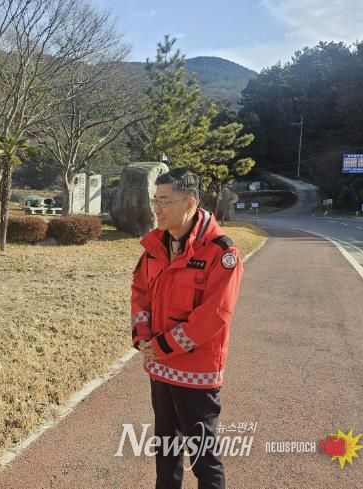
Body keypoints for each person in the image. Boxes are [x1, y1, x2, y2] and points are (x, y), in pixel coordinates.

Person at [131, 168, 244, 489]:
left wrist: (161, 346)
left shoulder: (222, 253)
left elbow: (213, 316)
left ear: (190, 203)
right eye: (155, 200)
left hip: (196, 373)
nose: (157, 208)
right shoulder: (155, 247)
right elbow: (140, 293)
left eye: (164, 201)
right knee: (166, 451)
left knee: (204, 458)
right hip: (159, 368)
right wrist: (142, 336)